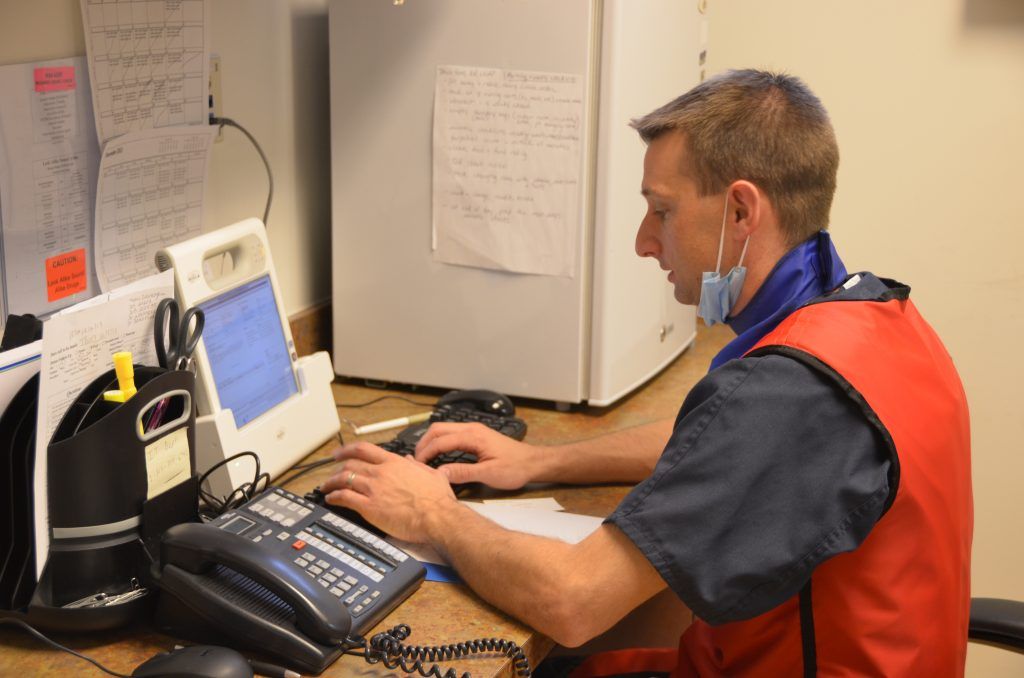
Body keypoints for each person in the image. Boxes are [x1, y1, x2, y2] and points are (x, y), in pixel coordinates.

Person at [321, 70, 972, 677]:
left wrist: (433, 515)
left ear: (742, 213)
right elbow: (721, 446)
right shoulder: (873, 317)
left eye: (661, 210)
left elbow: (574, 602)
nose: (644, 240)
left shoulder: (787, 397)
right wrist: (538, 463)